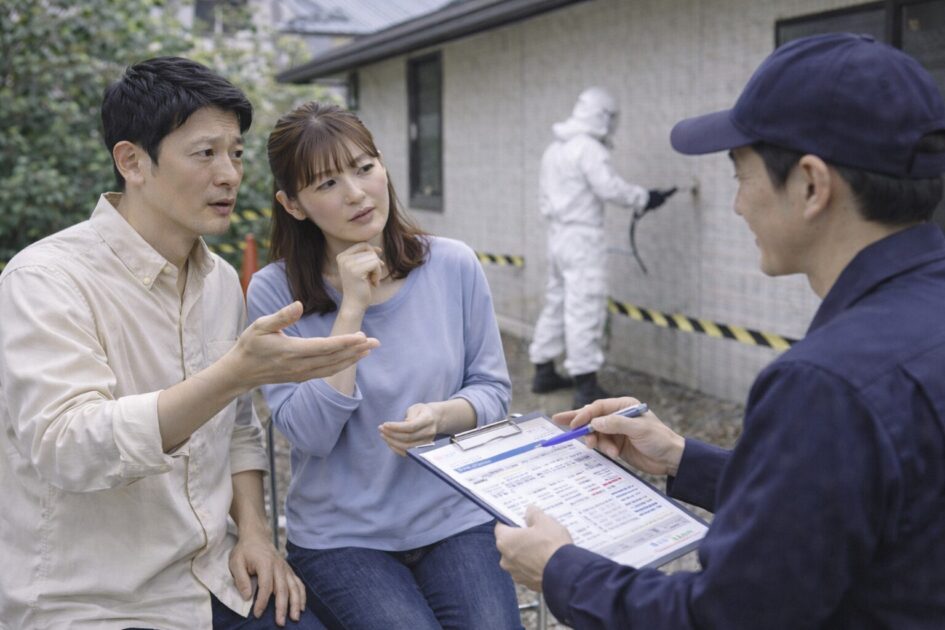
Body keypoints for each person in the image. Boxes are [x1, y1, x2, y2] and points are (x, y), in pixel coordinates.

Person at [496, 33, 945, 629]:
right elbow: (846, 498)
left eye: (741, 176)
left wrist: (559, 569)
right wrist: (685, 459)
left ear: (811, 185)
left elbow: (725, 618)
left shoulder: (825, 384)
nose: (737, 206)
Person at [0, 57, 379, 629]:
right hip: (88, 601)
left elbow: (239, 432)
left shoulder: (221, 281)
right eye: (205, 153)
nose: (229, 174)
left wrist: (253, 533)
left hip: (213, 577)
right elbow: (67, 445)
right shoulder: (46, 280)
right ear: (132, 161)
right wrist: (234, 374)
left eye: (236, 153)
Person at [246, 101, 522, 630]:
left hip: (453, 518)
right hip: (341, 539)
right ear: (294, 204)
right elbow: (309, 435)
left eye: (364, 167)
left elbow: (492, 390)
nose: (355, 193)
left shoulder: (452, 264)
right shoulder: (274, 293)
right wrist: (351, 309)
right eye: (326, 183)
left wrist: (443, 417)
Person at [529, 86, 676, 408]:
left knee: (557, 301)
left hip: (556, 237)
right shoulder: (588, 148)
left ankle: (543, 369)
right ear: (603, 117)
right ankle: (585, 386)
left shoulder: (555, 150)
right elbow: (608, 187)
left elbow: (543, 196)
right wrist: (645, 198)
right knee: (584, 305)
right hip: (582, 239)